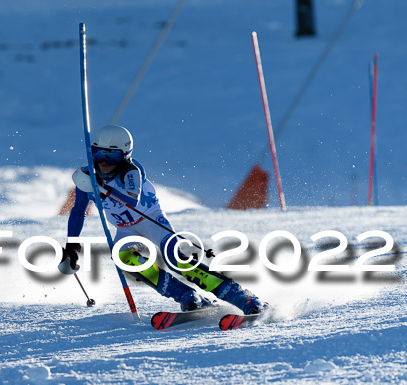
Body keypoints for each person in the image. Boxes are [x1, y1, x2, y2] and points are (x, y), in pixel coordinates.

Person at [59, 125, 267, 315]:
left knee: (175, 259)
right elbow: (78, 211)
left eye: (111, 156)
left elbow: (132, 200)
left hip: (151, 220)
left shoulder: (131, 170)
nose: (103, 162)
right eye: (98, 154)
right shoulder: (86, 177)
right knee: (123, 257)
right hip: (125, 228)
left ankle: (242, 297)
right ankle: (187, 295)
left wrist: (103, 188)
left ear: (124, 155)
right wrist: (72, 245)